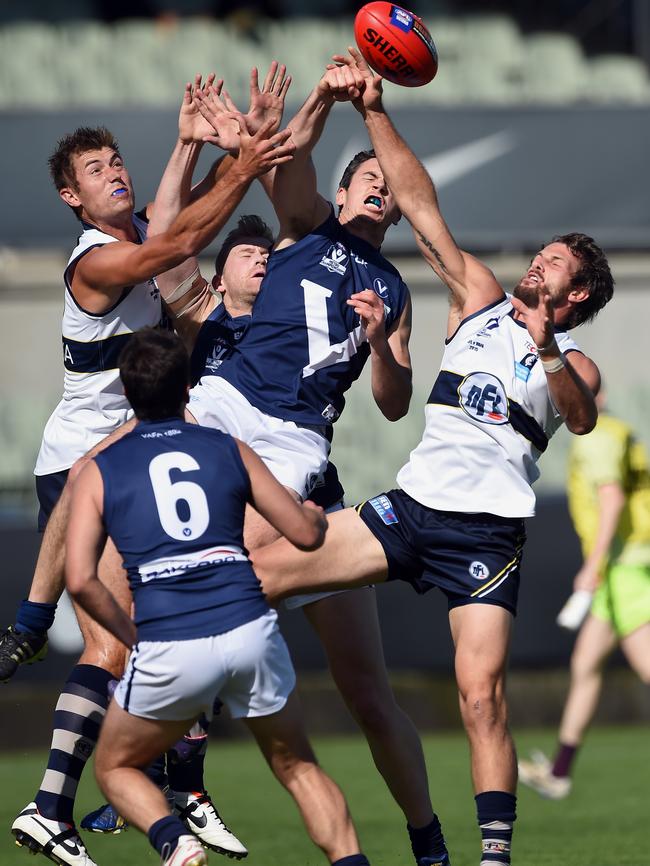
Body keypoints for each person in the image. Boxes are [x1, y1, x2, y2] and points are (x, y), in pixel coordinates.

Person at [250, 48, 615, 866]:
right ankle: (187, 758)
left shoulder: (575, 361)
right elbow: (421, 206)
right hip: (412, 509)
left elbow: (580, 418)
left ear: (577, 291)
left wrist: (549, 350)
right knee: (258, 574)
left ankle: (490, 856)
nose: (538, 261)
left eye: (553, 261)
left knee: (480, 698)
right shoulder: (479, 298)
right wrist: (374, 109)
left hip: (488, 537)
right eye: (543, 253)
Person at [6, 95, 294, 866]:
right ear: (72, 197)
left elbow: (172, 223)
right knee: (118, 645)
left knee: (150, 639)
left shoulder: (133, 231)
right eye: (95, 171)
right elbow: (181, 242)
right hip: (82, 467)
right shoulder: (91, 262)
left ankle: (74, 803)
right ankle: (140, 799)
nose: (113, 175)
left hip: (127, 463)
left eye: (115, 162)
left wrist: (190, 145)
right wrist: (244, 163)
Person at [186, 67, 451, 866]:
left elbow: (397, 401)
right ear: (340, 196)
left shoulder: (394, 289)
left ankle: (428, 841)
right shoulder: (304, 226)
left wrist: (379, 344)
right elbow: (289, 162)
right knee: (152, 501)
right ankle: (179, 772)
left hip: (303, 452)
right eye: (368, 178)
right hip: (232, 407)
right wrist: (328, 99)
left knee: (369, 692)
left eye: (389, 185)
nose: (382, 189)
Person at [60, 326, 373, 866]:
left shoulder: (100, 471)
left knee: (115, 768)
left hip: (170, 639)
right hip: (250, 628)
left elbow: (81, 579)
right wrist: (316, 520)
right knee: (298, 766)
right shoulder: (229, 448)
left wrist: (133, 638)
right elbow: (303, 535)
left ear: (129, 396)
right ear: (187, 388)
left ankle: (175, 842)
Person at [518, 393, 650, 799]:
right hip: (621, 568)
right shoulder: (614, 431)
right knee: (585, 663)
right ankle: (558, 772)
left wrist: (592, 565)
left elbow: (611, 499)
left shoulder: (595, 438)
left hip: (626, 567)